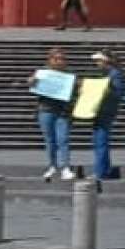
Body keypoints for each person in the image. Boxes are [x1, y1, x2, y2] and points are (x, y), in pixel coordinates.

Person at [29, 48, 75, 181]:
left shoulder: (69, 74)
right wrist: (32, 81)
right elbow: (32, 84)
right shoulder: (43, 73)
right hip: (46, 110)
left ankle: (65, 167)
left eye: (62, 58)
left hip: (63, 111)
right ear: (50, 60)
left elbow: (76, 90)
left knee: (63, 139)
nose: (60, 61)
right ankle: (52, 166)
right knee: (50, 140)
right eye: (57, 58)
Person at [90, 49, 125, 190]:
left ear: (106, 61)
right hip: (101, 110)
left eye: (99, 61)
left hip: (106, 111)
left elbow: (117, 93)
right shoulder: (107, 74)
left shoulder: (115, 74)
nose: (97, 63)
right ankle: (104, 169)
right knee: (100, 140)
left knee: (101, 141)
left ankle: (100, 171)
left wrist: (104, 90)